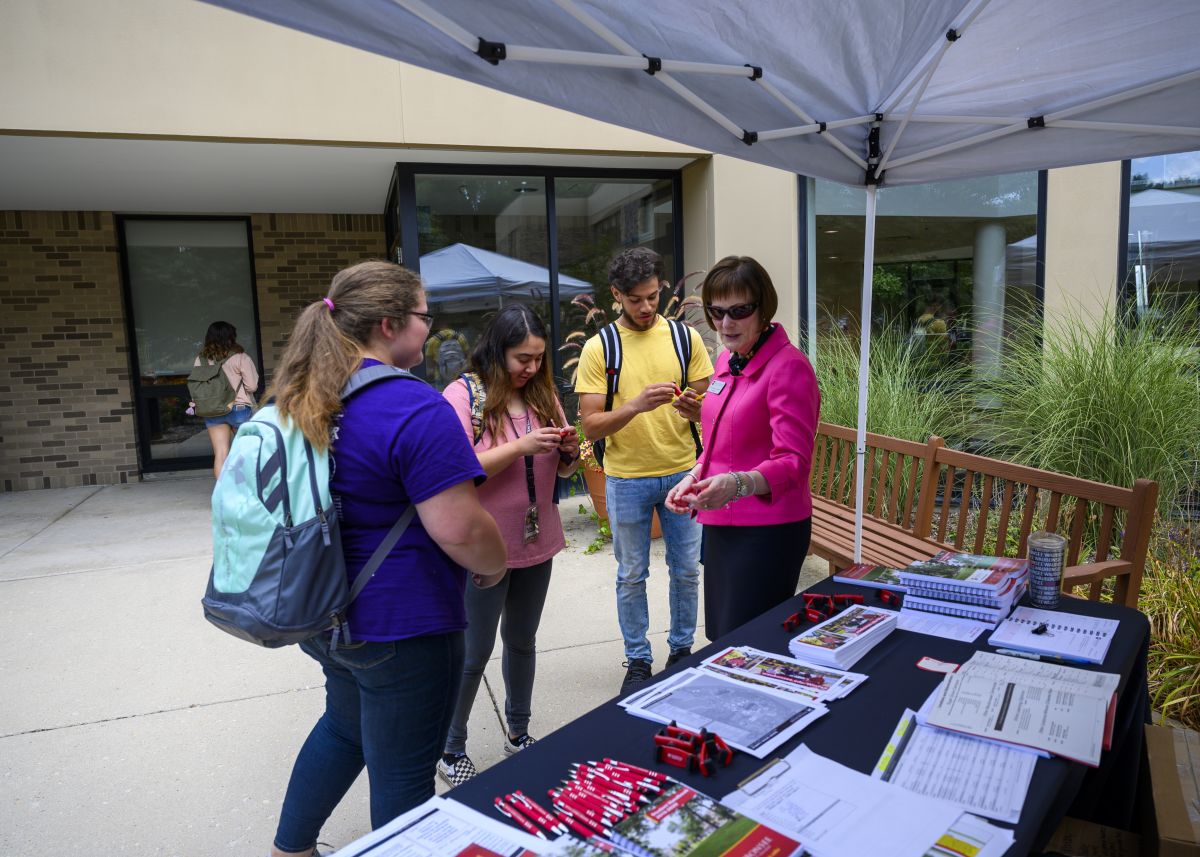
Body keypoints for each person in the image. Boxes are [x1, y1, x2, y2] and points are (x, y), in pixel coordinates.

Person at [266, 261, 507, 857]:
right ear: (389, 323)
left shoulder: (301, 399)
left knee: (344, 728)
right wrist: (495, 565)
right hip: (403, 624)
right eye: (426, 317)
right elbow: (459, 527)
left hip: (319, 608)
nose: (430, 329)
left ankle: (289, 850)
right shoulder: (413, 407)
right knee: (403, 772)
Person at [436, 305, 581, 786]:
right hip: (482, 545)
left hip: (536, 539)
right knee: (472, 652)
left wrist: (568, 455)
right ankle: (450, 747)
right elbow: (456, 470)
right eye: (523, 358)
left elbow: (562, 472)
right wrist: (520, 447)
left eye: (539, 358)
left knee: (522, 642)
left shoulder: (541, 393)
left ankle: (518, 733)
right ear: (496, 350)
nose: (532, 369)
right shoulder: (463, 395)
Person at [575, 247, 713, 694]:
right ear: (616, 295)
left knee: (687, 569)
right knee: (631, 574)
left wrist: (695, 409)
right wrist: (634, 405)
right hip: (626, 477)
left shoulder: (683, 338)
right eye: (635, 299)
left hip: (683, 472)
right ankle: (637, 660)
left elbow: (709, 408)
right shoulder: (601, 348)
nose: (646, 306)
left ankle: (681, 651)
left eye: (652, 296)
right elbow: (591, 423)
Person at [665, 256, 820, 640]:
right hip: (722, 522)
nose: (725, 323)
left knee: (749, 642)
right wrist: (693, 476)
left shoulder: (788, 367)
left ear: (763, 307)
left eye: (739, 311)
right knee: (722, 636)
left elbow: (793, 463)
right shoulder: (727, 360)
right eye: (716, 312)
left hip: (768, 531)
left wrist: (734, 485)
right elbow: (719, 440)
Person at [193, 321, 259, 477]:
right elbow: (252, 387)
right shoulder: (241, 357)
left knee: (221, 454)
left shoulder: (200, 359)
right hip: (238, 408)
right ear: (231, 337)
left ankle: (222, 496)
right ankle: (246, 491)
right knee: (246, 453)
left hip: (212, 410)